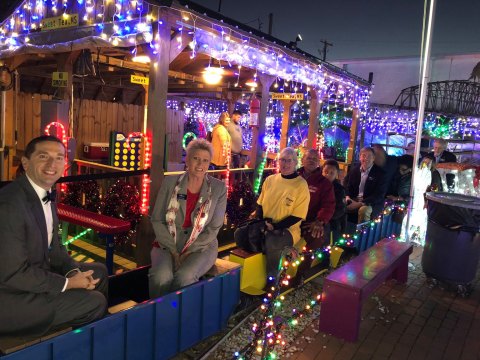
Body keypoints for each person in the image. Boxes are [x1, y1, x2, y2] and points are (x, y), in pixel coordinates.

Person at [0, 135, 108, 337]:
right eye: (43, 156)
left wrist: (73, 272)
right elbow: (13, 274)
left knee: (99, 273)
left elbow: (56, 250)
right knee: (95, 302)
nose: (52, 163)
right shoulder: (9, 205)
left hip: (34, 278)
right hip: (11, 297)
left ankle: (95, 338)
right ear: (25, 163)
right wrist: (68, 283)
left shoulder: (45, 193)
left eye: (59, 157)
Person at [149, 139, 227, 297]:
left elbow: (213, 228)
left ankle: (180, 316)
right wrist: (173, 250)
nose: (200, 164)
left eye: (205, 160)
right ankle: (159, 317)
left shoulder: (219, 188)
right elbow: (157, 219)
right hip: (168, 242)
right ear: (187, 160)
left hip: (202, 245)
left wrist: (187, 251)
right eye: (196, 158)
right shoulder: (170, 183)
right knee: (161, 277)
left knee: (184, 277)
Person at [236, 147, 309, 282]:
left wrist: (275, 226)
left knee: (272, 241)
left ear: (295, 163)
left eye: (289, 161)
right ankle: (249, 274)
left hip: (288, 229)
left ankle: (273, 279)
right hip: (265, 223)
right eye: (282, 160)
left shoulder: (301, 185)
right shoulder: (270, 180)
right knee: (240, 233)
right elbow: (260, 204)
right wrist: (259, 220)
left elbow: (297, 215)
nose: (285, 164)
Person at [297, 149, 335, 250]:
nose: (312, 161)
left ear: (318, 162)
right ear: (302, 160)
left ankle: (305, 264)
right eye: (309, 158)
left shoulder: (324, 183)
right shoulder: (294, 177)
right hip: (291, 219)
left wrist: (320, 221)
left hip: (311, 221)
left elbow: (328, 206)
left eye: (315, 159)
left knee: (316, 235)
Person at [344, 146, 387, 224]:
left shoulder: (380, 174)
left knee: (363, 210)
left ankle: (361, 235)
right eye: (363, 156)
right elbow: (347, 186)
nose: (366, 158)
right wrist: (347, 197)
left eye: (369, 156)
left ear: (373, 158)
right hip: (354, 199)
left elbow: (379, 195)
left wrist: (359, 204)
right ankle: (341, 231)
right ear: (360, 157)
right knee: (339, 205)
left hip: (371, 203)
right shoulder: (354, 170)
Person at [322, 159, 346, 242]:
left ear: (336, 174)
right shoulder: (317, 185)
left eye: (331, 173)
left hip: (332, 220)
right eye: (326, 172)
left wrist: (323, 219)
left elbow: (340, 210)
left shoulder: (339, 190)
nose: (327, 175)